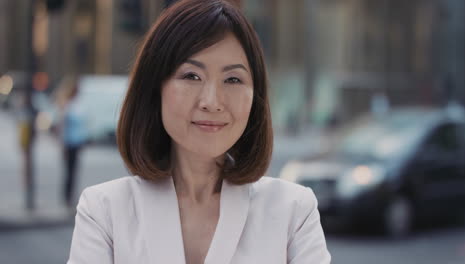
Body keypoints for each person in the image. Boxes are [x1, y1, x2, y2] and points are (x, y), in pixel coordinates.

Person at [67, 0, 331, 263]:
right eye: (192, 76)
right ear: (155, 87)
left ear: (255, 97)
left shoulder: (293, 210)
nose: (212, 101)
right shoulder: (104, 211)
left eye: (233, 79)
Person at [60, 77, 88, 208]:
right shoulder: (68, 105)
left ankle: (70, 196)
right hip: (69, 143)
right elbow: (63, 126)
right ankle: (66, 197)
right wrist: (63, 144)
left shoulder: (78, 104)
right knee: (69, 171)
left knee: (74, 171)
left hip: (77, 142)